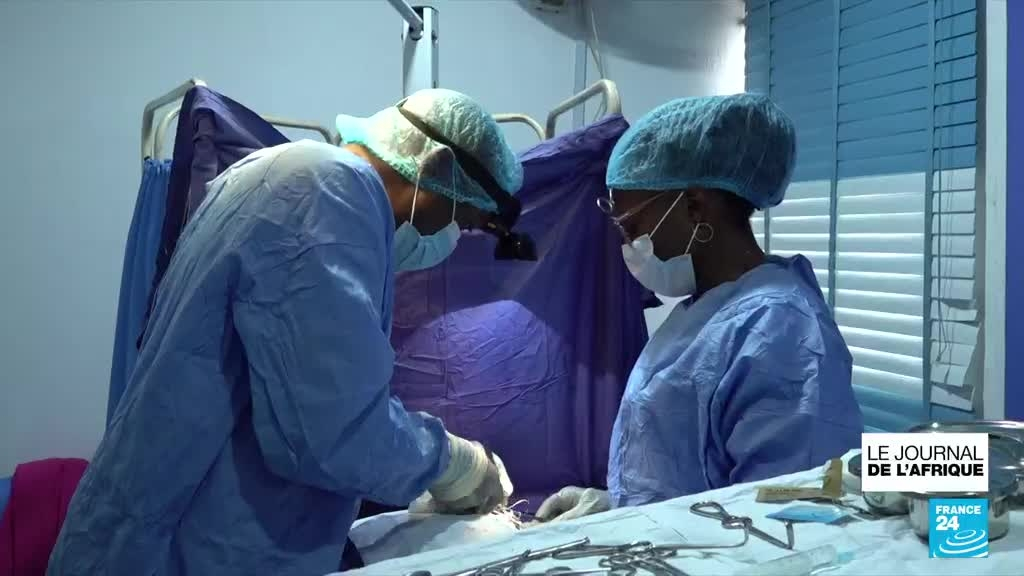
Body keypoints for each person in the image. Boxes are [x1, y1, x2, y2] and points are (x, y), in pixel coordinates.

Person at [48, 88, 524, 576]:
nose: (453, 235)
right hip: (182, 550)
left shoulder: (274, 172)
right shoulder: (332, 195)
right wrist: (454, 464)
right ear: (438, 167)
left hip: (143, 530)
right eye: (463, 217)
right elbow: (336, 433)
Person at [536, 93, 863, 522]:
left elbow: (789, 515)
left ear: (693, 207)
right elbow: (691, 467)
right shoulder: (708, 310)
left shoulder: (781, 331)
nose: (627, 243)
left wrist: (651, 528)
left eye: (632, 226)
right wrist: (616, 507)